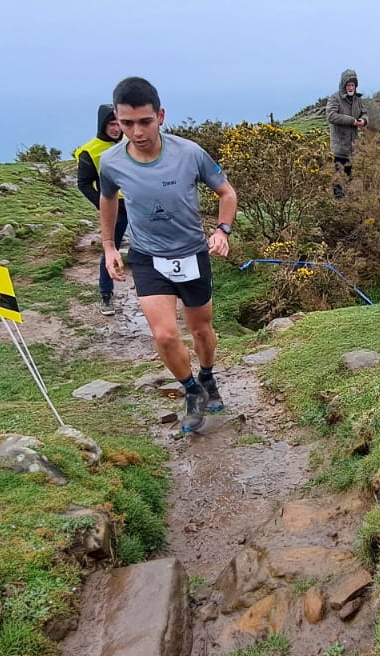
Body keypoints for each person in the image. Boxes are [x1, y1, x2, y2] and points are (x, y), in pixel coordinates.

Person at [96, 77, 239, 433]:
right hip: (147, 256)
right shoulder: (111, 162)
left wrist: (222, 231)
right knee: (163, 335)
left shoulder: (189, 153)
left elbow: (227, 193)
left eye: (145, 121)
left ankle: (207, 376)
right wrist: (110, 246)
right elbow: (108, 199)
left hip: (191, 252)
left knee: (201, 330)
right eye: (127, 123)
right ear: (117, 118)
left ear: (160, 116)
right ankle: (192, 391)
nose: (137, 131)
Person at [75, 104, 127, 315]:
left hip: (140, 203)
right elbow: (84, 183)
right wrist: (103, 204)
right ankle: (106, 294)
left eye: (119, 123)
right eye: (111, 124)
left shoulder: (130, 143)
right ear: (102, 125)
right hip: (115, 207)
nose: (116, 129)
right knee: (110, 248)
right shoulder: (89, 151)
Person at [325, 69, 366, 199]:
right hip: (339, 147)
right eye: (348, 85)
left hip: (353, 147)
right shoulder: (335, 98)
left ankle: (349, 205)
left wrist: (364, 121)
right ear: (343, 85)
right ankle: (339, 206)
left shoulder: (357, 99)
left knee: (351, 177)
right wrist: (352, 121)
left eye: (353, 85)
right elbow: (331, 116)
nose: (351, 87)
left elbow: (364, 113)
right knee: (338, 178)